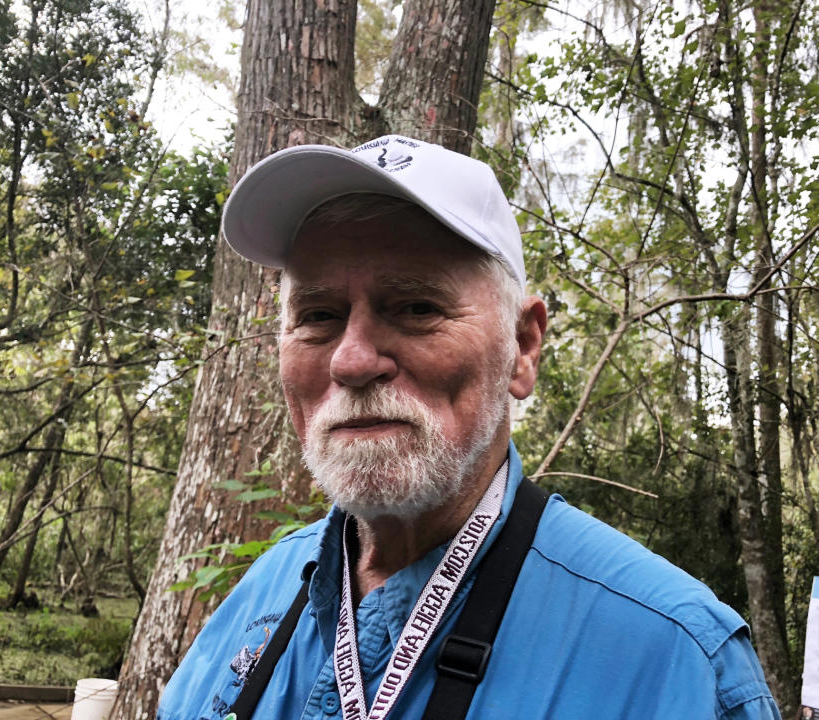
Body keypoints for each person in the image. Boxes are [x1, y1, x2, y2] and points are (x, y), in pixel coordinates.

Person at [156, 135, 782, 720]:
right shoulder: (260, 597)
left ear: (522, 346)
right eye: (318, 315)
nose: (350, 361)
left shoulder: (676, 661)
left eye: (417, 308)